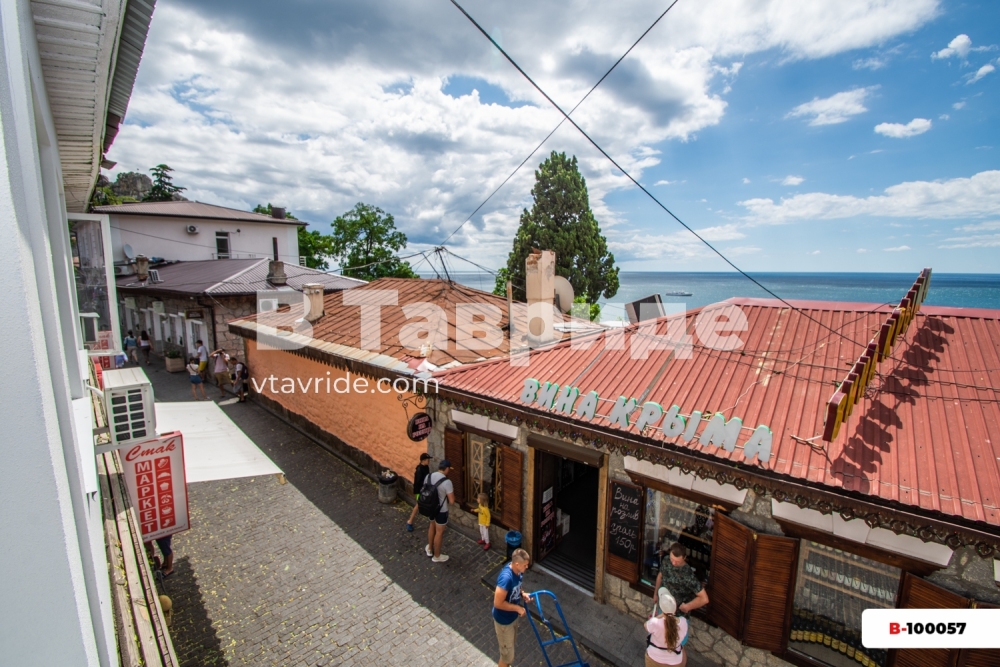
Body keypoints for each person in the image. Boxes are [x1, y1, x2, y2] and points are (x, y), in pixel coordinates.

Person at [492, 548, 533, 667]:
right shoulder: (506, 578)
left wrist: (522, 594)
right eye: (525, 565)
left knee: (509, 650)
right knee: (506, 657)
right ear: (516, 564)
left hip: (512, 619)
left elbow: (518, 586)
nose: (527, 567)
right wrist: (517, 608)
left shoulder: (518, 572)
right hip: (504, 622)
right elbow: (498, 603)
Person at [653, 543, 709, 618]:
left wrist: (688, 607)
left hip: (678, 616)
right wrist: (656, 594)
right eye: (672, 559)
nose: (673, 563)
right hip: (663, 607)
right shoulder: (666, 560)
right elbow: (660, 576)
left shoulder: (688, 575)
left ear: (684, 557)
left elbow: (704, 599)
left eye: (677, 561)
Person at [645, 589, 688, 666]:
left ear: (661, 608)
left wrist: (659, 616)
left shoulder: (655, 622)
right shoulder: (683, 622)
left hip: (654, 658)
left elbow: (646, 625)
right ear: (675, 608)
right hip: (675, 661)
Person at [424, 459, 455, 563]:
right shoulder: (447, 482)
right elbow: (451, 501)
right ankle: (437, 556)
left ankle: (429, 549)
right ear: (446, 469)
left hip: (430, 507)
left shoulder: (428, 476)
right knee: (439, 533)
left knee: (431, 526)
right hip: (441, 510)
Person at [405, 453, 431, 532]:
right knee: (418, 505)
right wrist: (421, 492)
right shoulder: (419, 470)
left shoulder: (426, 467)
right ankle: (410, 521)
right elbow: (418, 483)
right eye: (427, 460)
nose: (429, 461)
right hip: (419, 491)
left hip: (425, 490)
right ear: (423, 461)